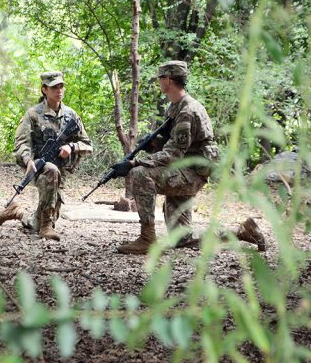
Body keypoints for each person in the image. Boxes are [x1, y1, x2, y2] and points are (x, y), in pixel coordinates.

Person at [114, 60, 266, 254]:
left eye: (160, 79)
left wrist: (134, 163)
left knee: (139, 173)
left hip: (191, 173)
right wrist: (155, 143)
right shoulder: (176, 107)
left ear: (168, 80)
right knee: (182, 238)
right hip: (187, 169)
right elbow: (178, 145)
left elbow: (173, 154)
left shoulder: (187, 111)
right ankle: (242, 231)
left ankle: (147, 238)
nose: (159, 82)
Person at [0, 71, 92, 241]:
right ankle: (46, 227)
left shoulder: (71, 115)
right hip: (39, 168)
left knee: (38, 220)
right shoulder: (33, 114)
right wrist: (28, 160)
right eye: (54, 87)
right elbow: (21, 143)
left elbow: (88, 144)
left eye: (61, 86)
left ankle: (17, 212)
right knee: (51, 171)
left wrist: (71, 146)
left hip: (62, 171)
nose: (59, 90)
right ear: (44, 90)